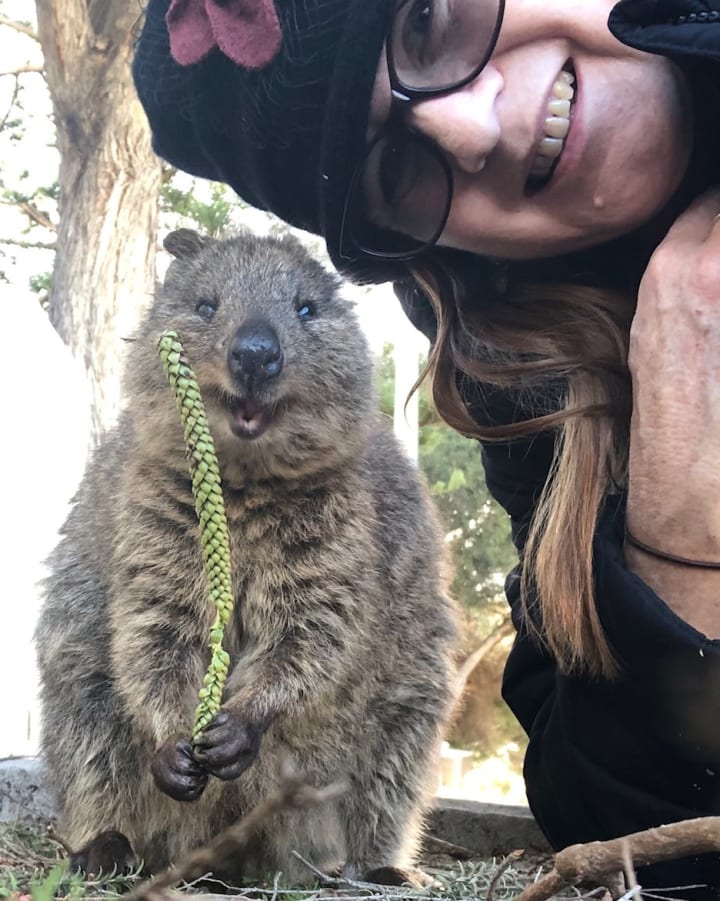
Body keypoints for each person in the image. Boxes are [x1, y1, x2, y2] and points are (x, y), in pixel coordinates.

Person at [132, 1, 720, 896]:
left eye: (428, 17)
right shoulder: (542, 386)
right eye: (399, 172)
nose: (476, 127)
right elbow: (622, 825)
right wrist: (678, 523)